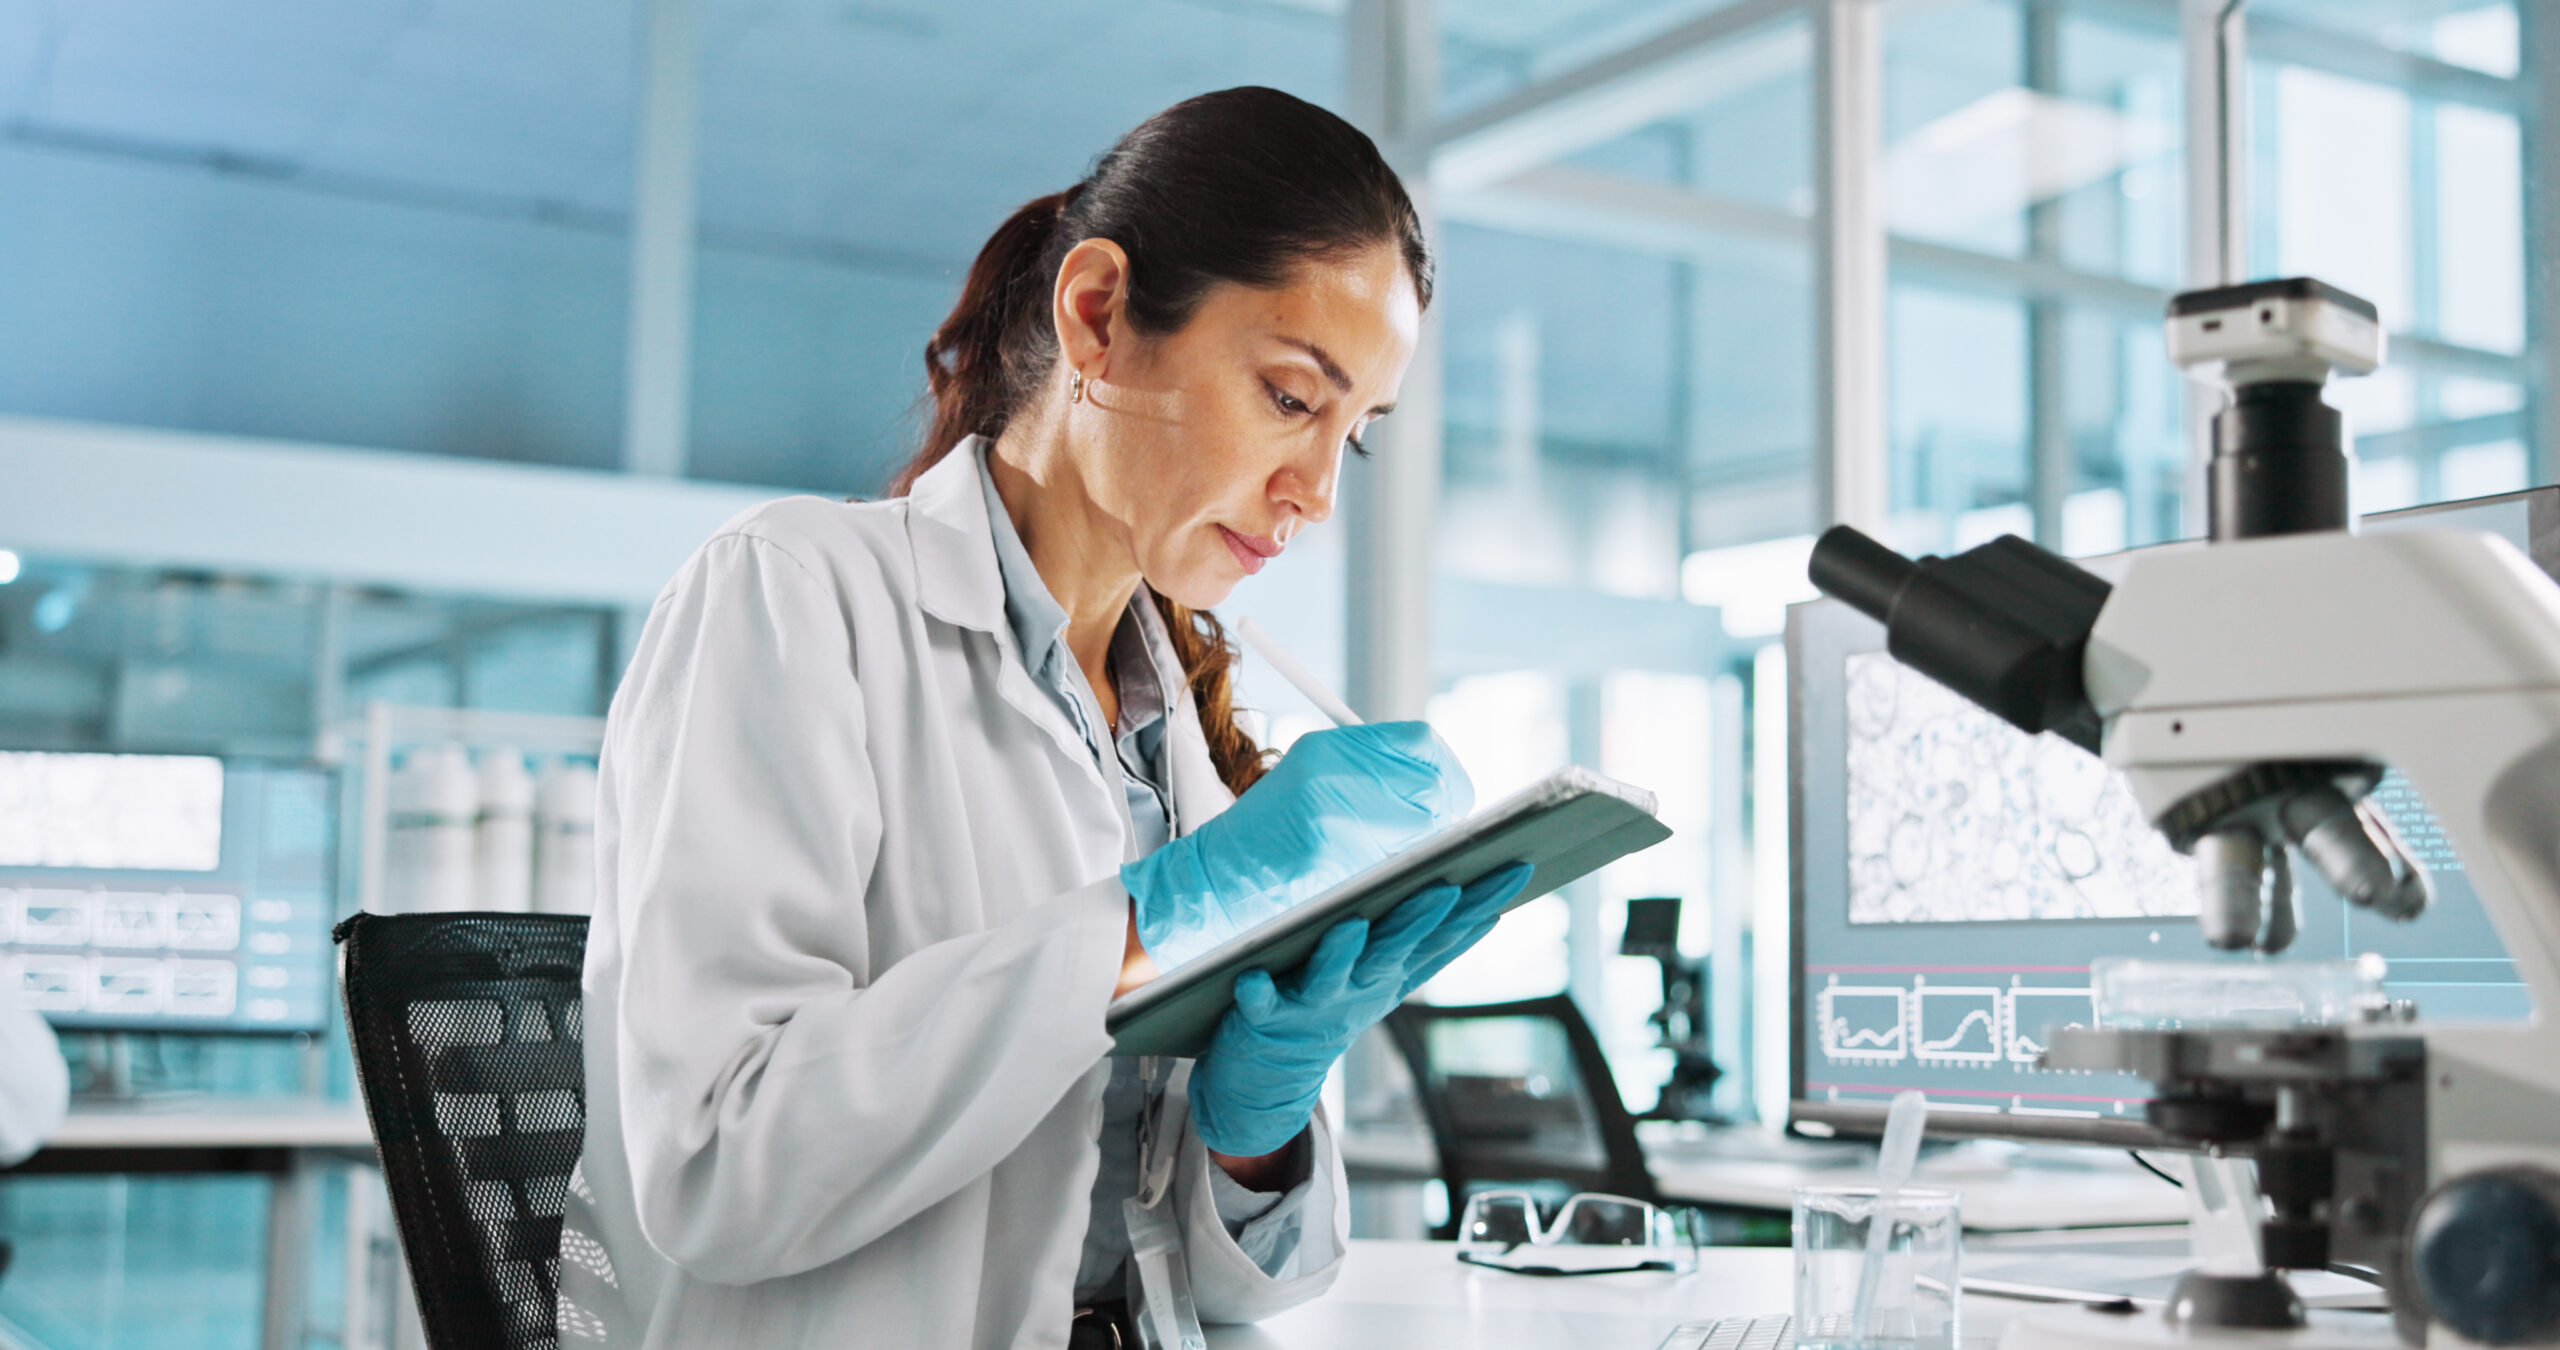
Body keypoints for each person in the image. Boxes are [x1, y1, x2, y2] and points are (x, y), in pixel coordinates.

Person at [557, 86, 1531, 1348]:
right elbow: (717, 1167)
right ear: (1099, 314)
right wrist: (1148, 923)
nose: (1315, 494)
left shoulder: (1170, 731)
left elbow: (1239, 1293)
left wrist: (1257, 1124)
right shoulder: (792, 595)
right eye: (1292, 399)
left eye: (1355, 436)